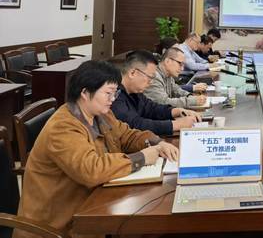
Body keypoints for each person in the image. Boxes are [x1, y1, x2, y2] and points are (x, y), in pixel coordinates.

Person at [15, 60, 178, 238]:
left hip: (92, 203)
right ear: (85, 93)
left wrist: (157, 142)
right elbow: (91, 170)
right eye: (108, 93)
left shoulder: (101, 113)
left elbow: (126, 135)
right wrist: (141, 158)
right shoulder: (63, 127)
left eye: (115, 93)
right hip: (58, 226)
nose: (113, 99)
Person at [111, 50, 202, 135]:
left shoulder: (135, 91)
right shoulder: (113, 95)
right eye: (150, 77)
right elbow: (135, 124)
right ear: (132, 73)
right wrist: (175, 125)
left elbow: (151, 108)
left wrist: (176, 111)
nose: (151, 82)